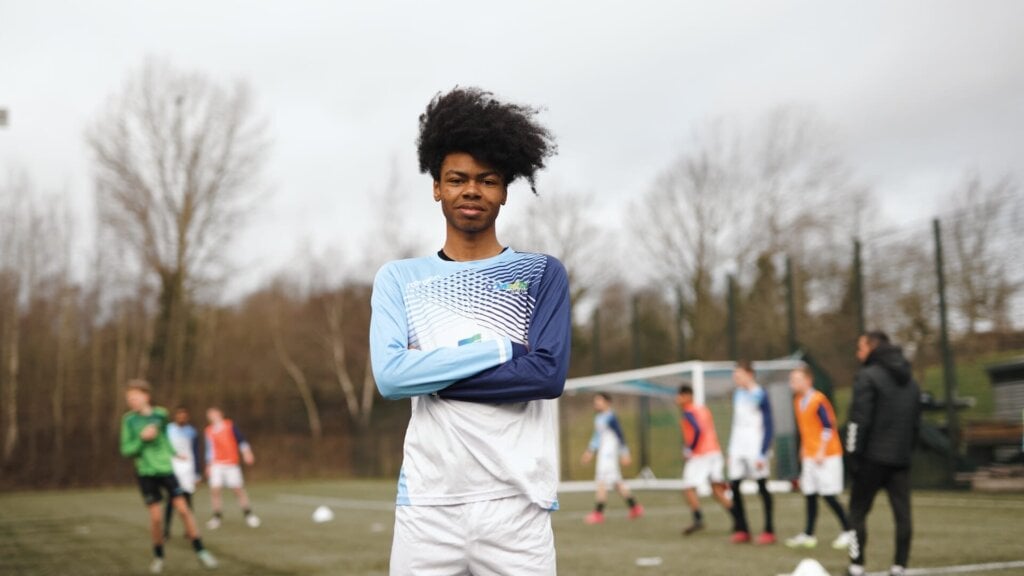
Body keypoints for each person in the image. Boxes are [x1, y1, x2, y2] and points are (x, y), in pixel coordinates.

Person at [370, 86, 569, 576]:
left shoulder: (543, 273)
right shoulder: (399, 278)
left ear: (504, 189)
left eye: (487, 180)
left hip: (517, 505)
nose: (472, 191)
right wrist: (502, 349)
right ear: (436, 186)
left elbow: (545, 375)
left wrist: (430, 371)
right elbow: (392, 378)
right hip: (427, 506)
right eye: (457, 179)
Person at [119, 380, 217, 573]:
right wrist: (141, 439)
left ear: (146, 396)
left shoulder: (161, 414)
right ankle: (158, 556)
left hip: (166, 470)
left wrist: (174, 453)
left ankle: (201, 550)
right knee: (156, 518)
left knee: (183, 509)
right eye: (129, 398)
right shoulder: (128, 420)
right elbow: (126, 450)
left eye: (135, 397)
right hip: (145, 473)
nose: (132, 401)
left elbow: (164, 438)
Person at [845, 331, 921, 576]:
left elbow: (858, 420)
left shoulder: (867, 377)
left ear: (871, 347)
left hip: (872, 459)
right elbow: (916, 423)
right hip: (901, 458)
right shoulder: (911, 380)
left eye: (860, 347)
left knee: (856, 511)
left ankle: (856, 565)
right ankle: (899, 566)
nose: (857, 354)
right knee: (903, 514)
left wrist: (853, 455)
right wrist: (907, 451)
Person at [786, 365, 855, 550]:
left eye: (796, 379)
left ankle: (849, 530)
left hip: (826, 455)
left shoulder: (818, 400)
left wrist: (821, 450)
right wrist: (803, 448)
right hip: (810, 455)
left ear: (808, 380)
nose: (792, 383)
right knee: (809, 493)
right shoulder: (798, 401)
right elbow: (806, 429)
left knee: (828, 494)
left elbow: (827, 426)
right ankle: (808, 534)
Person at [727, 360, 776, 545]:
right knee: (734, 486)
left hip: (755, 448)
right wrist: (731, 450)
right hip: (738, 448)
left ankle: (769, 530)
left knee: (762, 487)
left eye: (738, 374)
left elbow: (769, 424)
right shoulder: (737, 394)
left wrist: (763, 452)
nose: (735, 378)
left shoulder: (760, 394)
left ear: (749, 374)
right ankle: (742, 528)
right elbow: (736, 423)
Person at [675, 384, 735, 536]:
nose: (677, 399)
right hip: (714, 452)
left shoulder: (688, 412)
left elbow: (697, 430)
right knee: (716, 490)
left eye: (680, 396)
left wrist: (690, 448)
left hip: (700, 455)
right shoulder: (704, 410)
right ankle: (738, 520)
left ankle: (698, 519)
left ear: (688, 396)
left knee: (688, 488)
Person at [580, 392, 644, 524]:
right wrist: (590, 452)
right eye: (595, 401)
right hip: (604, 453)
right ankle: (635, 507)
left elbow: (620, 435)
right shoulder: (599, 418)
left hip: (609, 455)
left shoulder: (611, 417)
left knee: (601, 481)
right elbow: (597, 437)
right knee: (616, 483)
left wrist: (625, 453)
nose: (596, 403)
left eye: (599, 401)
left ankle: (598, 513)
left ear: (607, 402)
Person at [204, 407, 259, 529]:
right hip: (216, 464)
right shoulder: (208, 431)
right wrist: (208, 465)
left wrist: (247, 452)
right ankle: (217, 517)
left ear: (220, 414)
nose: (212, 416)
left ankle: (248, 514)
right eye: (209, 414)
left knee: (238, 489)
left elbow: (241, 440)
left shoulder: (229, 425)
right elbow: (209, 449)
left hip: (231, 464)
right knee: (215, 490)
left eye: (214, 413)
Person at [164, 406, 203, 541]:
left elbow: (196, 452)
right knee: (171, 499)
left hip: (187, 468)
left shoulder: (192, 431)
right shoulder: (168, 429)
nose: (181, 418)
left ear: (187, 417)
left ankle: (189, 529)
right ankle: (166, 530)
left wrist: (197, 473)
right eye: (179, 415)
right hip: (172, 467)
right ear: (175, 416)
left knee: (187, 499)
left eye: (184, 415)